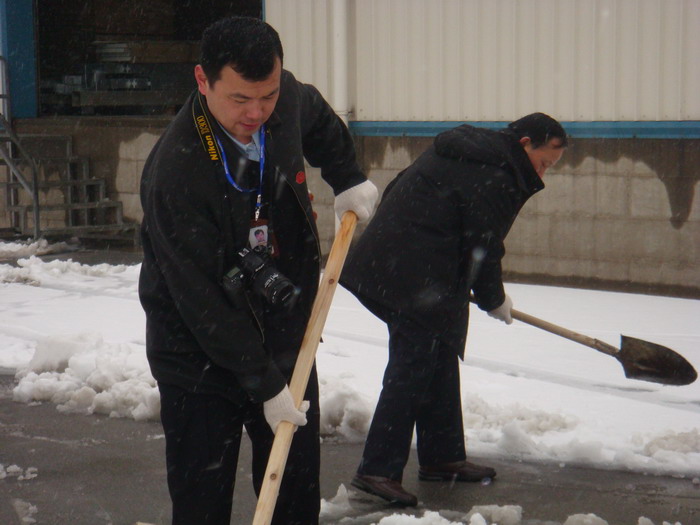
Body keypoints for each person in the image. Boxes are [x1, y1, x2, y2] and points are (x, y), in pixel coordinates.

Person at [138, 16, 377, 525]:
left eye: (265, 97)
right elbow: (200, 301)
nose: (256, 112)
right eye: (240, 100)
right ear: (203, 82)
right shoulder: (177, 172)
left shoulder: (282, 98)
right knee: (203, 503)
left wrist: (347, 177)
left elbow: (315, 116)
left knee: (294, 496)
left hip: (286, 334)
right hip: (198, 358)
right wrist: (262, 384)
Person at [340, 113, 567, 506]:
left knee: (439, 352)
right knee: (413, 365)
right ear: (526, 142)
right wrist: (494, 297)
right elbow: (484, 241)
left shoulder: (475, 152)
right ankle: (377, 469)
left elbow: (402, 187)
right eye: (544, 162)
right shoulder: (496, 169)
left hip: (409, 266)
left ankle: (442, 457)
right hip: (411, 274)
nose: (543, 174)